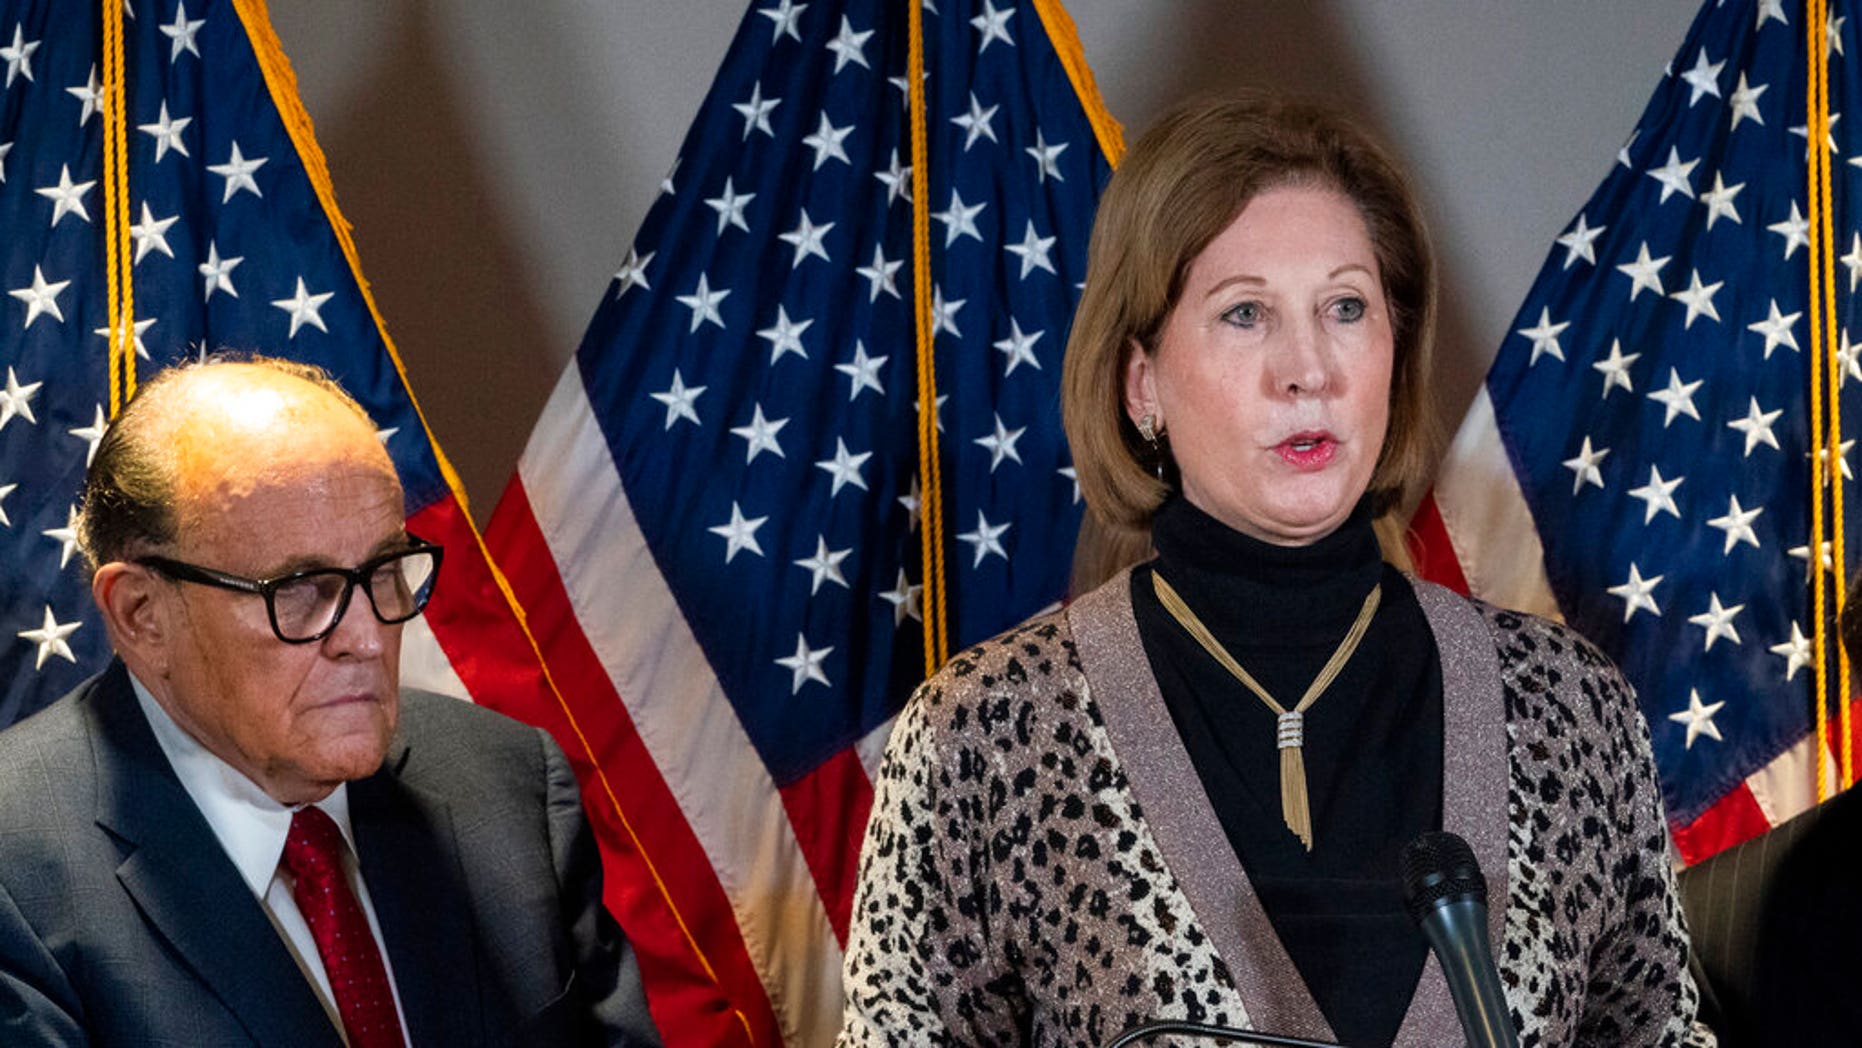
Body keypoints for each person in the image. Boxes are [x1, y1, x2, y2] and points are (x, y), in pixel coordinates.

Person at [838, 94, 1711, 1047]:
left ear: (1393, 352)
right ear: (1143, 383)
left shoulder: (1570, 713)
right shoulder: (985, 738)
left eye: (1344, 307)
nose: (1309, 370)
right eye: (1245, 314)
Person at [0, 357, 661, 1046]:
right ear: (141, 615)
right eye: (300, 588)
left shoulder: (511, 786)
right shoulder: (16, 882)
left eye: (383, 569)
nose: (369, 638)